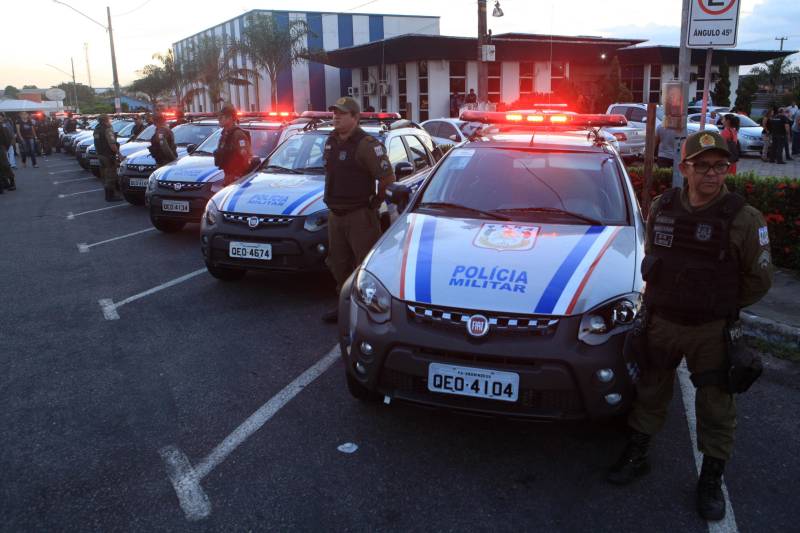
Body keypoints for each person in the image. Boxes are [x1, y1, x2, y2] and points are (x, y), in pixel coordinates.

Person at [607, 130, 773, 522]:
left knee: (715, 404)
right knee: (650, 390)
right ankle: (638, 454)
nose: (712, 174)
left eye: (720, 166)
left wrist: (719, 302)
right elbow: (652, 257)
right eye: (703, 166)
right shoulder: (663, 207)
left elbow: (760, 279)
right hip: (663, 322)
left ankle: (711, 479)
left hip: (711, 330)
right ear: (685, 168)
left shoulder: (744, 219)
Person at [321, 96, 395, 323]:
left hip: (359, 215)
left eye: (342, 114)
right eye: (335, 113)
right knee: (337, 264)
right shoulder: (331, 141)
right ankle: (344, 307)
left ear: (355, 117)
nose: (336, 117)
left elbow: (387, 178)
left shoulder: (367, 145)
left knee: (366, 266)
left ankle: (368, 311)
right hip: (336, 214)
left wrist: (375, 202)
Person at [213, 103, 252, 186]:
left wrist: (239, 177)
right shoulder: (224, 134)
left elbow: (245, 157)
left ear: (230, 118)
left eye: (221, 117)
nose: (218, 119)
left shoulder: (238, 135)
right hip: (227, 174)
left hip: (236, 178)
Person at [93, 114, 122, 202]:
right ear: (106, 120)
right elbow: (112, 144)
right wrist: (119, 154)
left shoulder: (97, 129)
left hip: (100, 154)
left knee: (104, 175)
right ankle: (110, 196)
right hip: (107, 155)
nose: (110, 120)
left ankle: (109, 194)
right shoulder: (107, 129)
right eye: (109, 119)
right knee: (111, 175)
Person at [0, 116, 16, 192]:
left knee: (4, 164)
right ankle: (4, 183)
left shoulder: (2, 126)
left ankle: (11, 181)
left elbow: (7, 137)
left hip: (1, 146)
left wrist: (5, 147)